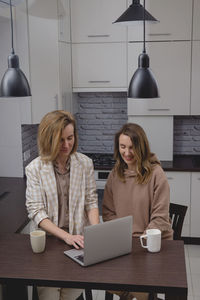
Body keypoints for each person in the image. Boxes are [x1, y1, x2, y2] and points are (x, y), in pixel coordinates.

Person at [26, 110, 100, 300]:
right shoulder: (35, 169)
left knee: (69, 294)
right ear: (48, 139)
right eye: (60, 140)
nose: (67, 145)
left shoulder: (85, 164)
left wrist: (96, 231)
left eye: (70, 137)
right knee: (50, 294)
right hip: (49, 244)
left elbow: (91, 200)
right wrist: (66, 236)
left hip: (78, 243)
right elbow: (36, 212)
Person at [102, 123, 173, 300]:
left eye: (132, 147)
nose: (127, 153)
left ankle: (136, 294)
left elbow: (160, 217)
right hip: (124, 245)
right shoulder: (114, 175)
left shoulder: (156, 174)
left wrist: (141, 240)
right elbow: (108, 212)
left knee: (138, 283)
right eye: (123, 147)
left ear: (141, 147)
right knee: (103, 279)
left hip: (151, 245)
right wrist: (122, 239)